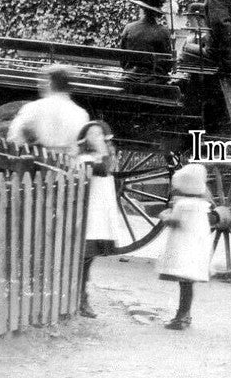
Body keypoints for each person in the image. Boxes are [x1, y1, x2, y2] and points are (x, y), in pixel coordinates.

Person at [75, 120, 131, 318]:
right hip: (88, 216)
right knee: (83, 259)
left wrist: (104, 150)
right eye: (91, 134)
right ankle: (81, 299)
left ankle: (82, 298)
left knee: (87, 260)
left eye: (99, 134)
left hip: (99, 216)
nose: (95, 138)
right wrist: (102, 149)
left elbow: (108, 166)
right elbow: (104, 168)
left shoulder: (102, 157)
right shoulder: (85, 158)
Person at [156, 163, 212, 330]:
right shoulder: (202, 205)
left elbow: (175, 222)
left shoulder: (182, 205)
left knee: (184, 284)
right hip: (195, 251)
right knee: (187, 285)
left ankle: (182, 316)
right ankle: (184, 315)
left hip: (183, 251)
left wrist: (164, 216)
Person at [6, 64, 90, 149]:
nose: (38, 85)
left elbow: (13, 139)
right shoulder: (81, 114)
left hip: (38, 159)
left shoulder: (32, 109)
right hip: (69, 161)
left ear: (49, 82)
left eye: (42, 80)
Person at [118, 0, 174, 80]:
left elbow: (123, 60)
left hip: (129, 79)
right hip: (154, 82)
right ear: (157, 13)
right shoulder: (163, 32)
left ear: (141, 9)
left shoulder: (129, 28)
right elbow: (167, 64)